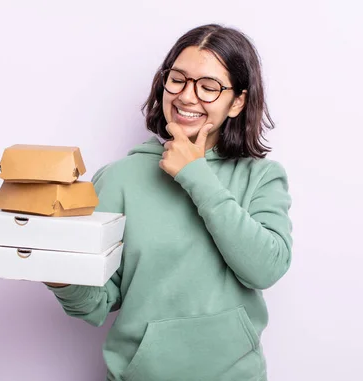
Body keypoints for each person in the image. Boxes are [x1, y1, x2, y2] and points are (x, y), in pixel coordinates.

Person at [45, 23, 293, 381]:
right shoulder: (119, 178)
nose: (187, 97)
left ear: (237, 101)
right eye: (177, 79)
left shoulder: (261, 177)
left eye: (209, 87)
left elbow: (266, 269)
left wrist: (196, 175)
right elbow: (98, 304)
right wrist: (59, 276)